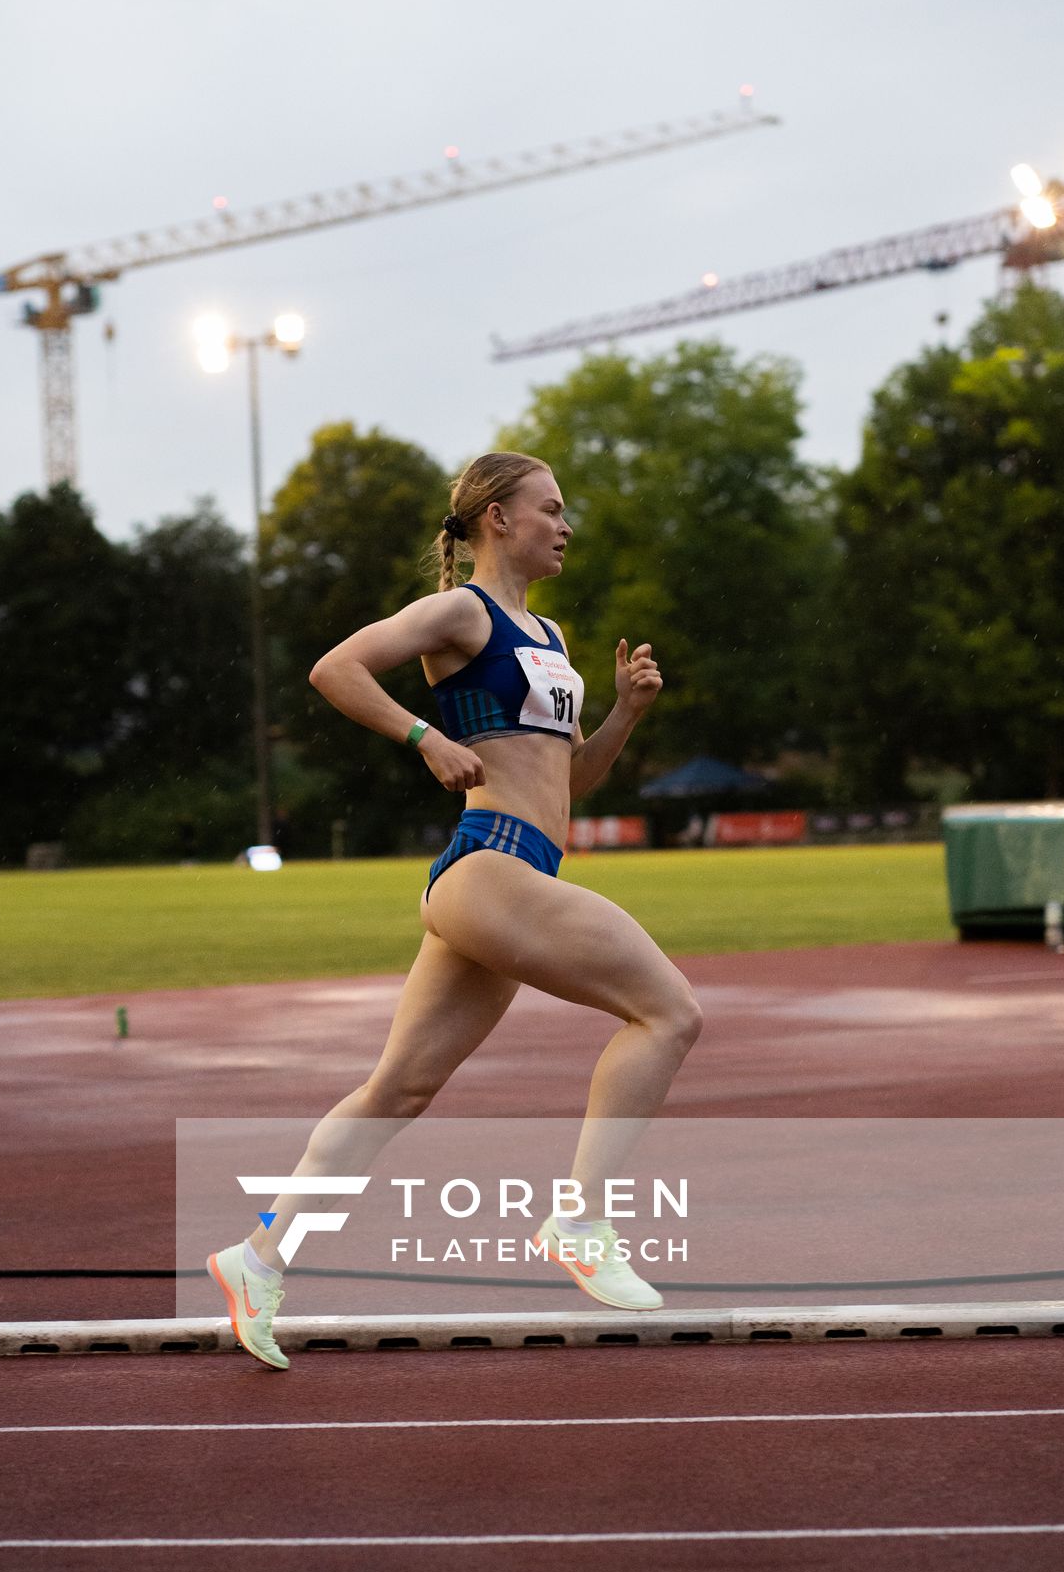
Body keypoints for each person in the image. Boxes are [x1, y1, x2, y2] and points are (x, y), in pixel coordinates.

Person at [207, 450, 703, 1368]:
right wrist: (423, 735)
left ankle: (259, 1257)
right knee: (669, 1011)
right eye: (550, 508)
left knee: (399, 1089)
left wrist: (626, 715)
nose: (565, 524)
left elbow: (565, 783)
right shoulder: (460, 613)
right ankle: (581, 1222)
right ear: (497, 518)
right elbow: (335, 669)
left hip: (515, 873)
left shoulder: (548, 635)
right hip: (490, 868)